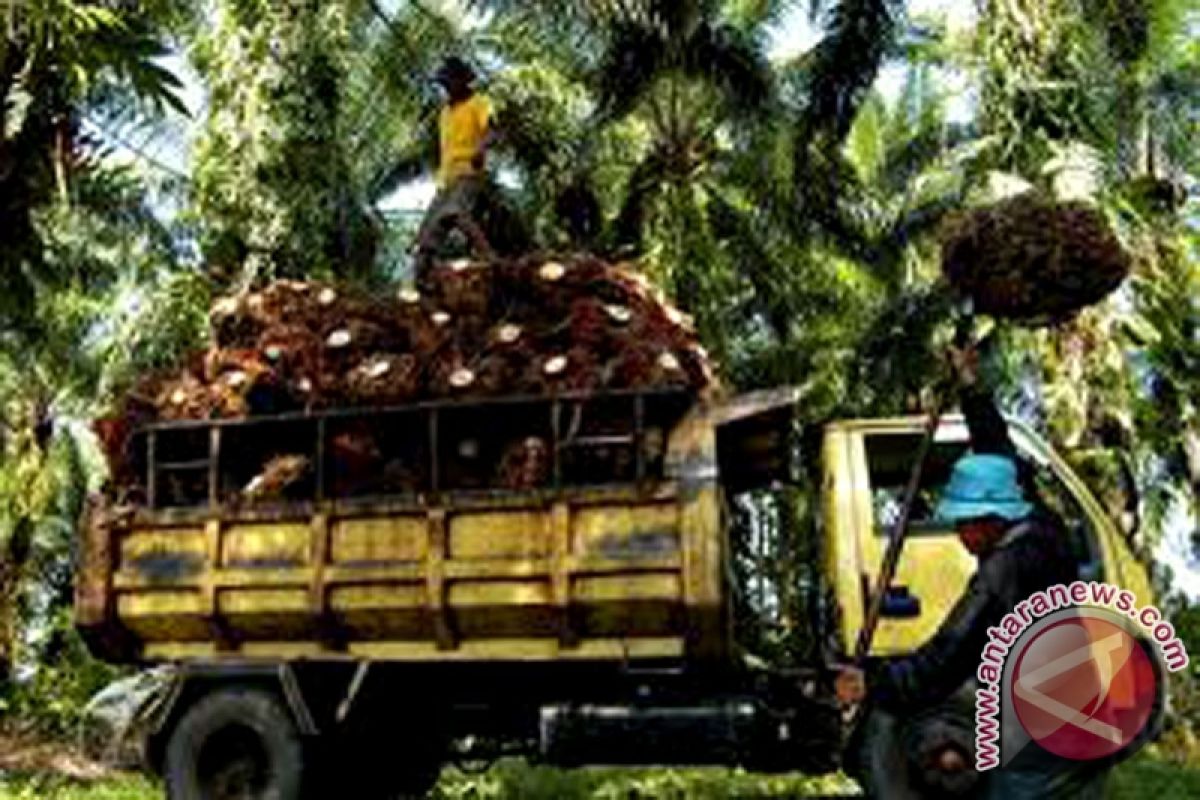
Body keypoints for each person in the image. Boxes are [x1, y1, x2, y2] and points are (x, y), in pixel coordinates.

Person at [836, 345, 1109, 798]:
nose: (960, 535)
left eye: (964, 522)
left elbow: (948, 657)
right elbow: (998, 450)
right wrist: (971, 387)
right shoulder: (1043, 526)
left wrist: (871, 682)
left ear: (991, 517)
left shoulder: (1002, 572)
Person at [414, 56, 496, 272]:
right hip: (445, 180)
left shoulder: (479, 103)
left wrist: (480, 149)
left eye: (448, 82)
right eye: (443, 84)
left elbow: (491, 130)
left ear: (462, 80)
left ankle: (492, 260)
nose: (446, 88)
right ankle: (421, 285)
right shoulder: (445, 113)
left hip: (468, 173)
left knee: (454, 213)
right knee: (425, 239)